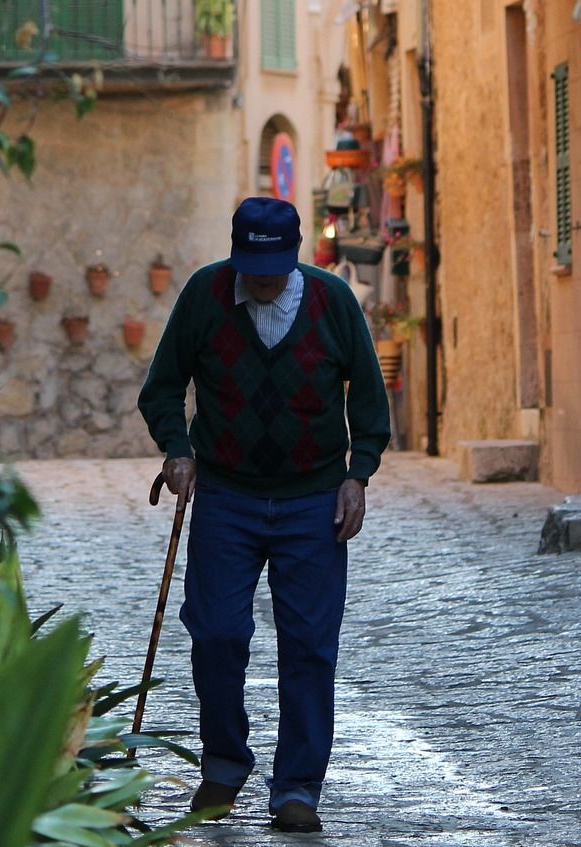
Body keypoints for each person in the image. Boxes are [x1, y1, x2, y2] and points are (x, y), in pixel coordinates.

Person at [137, 196, 391, 833]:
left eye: (273, 266)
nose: (262, 278)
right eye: (252, 265)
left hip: (313, 499)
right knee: (217, 632)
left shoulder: (332, 303)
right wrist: (177, 450)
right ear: (236, 255)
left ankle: (297, 786)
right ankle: (223, 764)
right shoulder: (205, 294)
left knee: (308, 646)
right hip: (227, 495)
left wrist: (358, 474)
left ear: (295, 254)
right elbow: (162, 386)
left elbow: (369, 393)